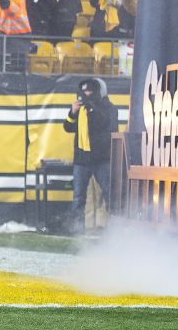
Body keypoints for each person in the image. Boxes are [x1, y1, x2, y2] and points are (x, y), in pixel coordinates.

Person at [63, 78, 118, 235]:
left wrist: (92, 108)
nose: (86, 94)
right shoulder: (80, 109)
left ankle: (114, 229)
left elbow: (106, 124)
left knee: (109, 195)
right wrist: (72, 113)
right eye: (84, 91)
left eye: (90, 91)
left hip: (102, 159)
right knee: (78, 197)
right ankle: (77, 229)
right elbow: (68, 127)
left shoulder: (109, 107)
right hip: (82, 160)